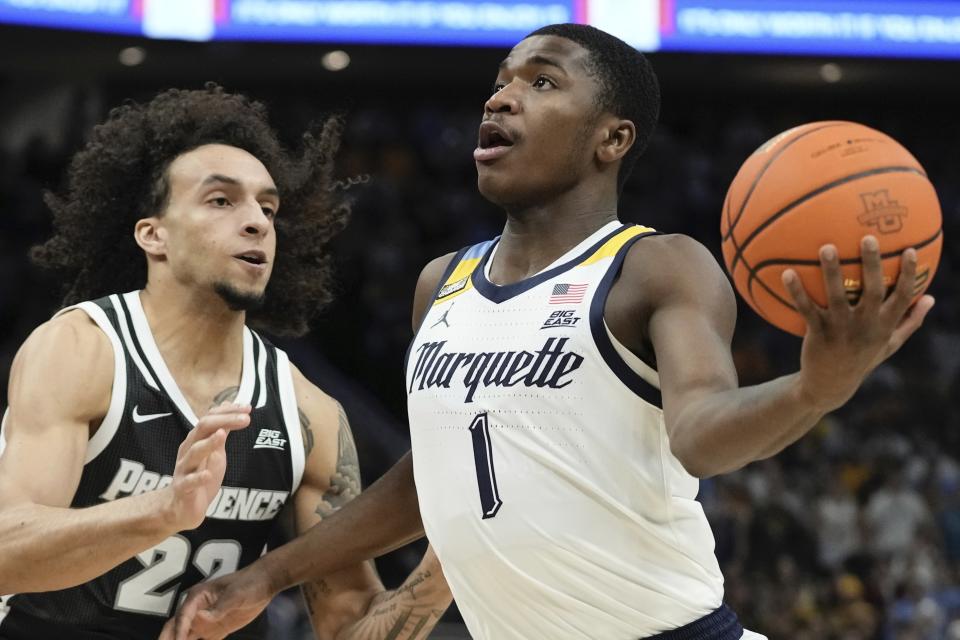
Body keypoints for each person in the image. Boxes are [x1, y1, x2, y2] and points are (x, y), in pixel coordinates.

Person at [164, 24, 935, 640]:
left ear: (612, 140)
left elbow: (702, 435)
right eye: (500, 81)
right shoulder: (442, 283)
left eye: (541, 82)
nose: (501, 99)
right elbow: (429, 482)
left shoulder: (657, 267)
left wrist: (814, 388)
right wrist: (268, 576)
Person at [0, 85, 451, 639]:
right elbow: (6, 552)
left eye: (267, 207)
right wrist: (164, 510)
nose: (257, 222)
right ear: (153, 234)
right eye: (222, 200)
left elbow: (347, 626)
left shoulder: (309, 414)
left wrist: (446, 568)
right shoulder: (82, 349)